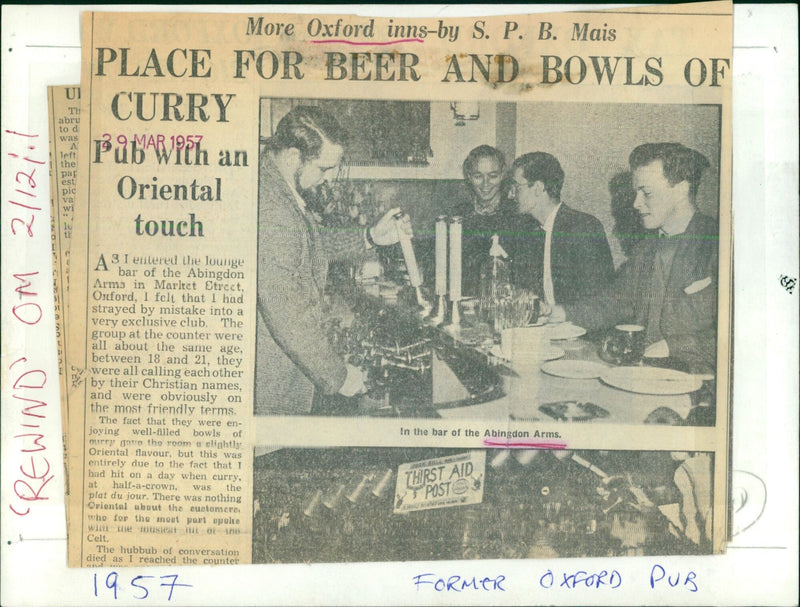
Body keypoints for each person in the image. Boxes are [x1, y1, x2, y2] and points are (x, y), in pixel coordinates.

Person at [255, 105, 411, 415]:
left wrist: (370, 236)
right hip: (275, 379)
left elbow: (312, 244)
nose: (326, 180)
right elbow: (287, 314)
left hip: (289, 368)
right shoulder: (272, 208)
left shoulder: (282, 192)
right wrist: (337, 376)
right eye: (324, 169)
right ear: (291, 157)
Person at [552, 143, 717, 373]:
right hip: (641, 373)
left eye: (646, 193)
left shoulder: (719, 245)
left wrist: (673, 346)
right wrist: (560, 313)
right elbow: (616, 301)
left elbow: (739, 336)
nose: (636, 203)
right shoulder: (645, 249)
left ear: (680, 190)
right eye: (636, 193)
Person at [508, 152, 614, 306]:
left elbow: (598, 302)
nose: (511, 195)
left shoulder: (583, 228)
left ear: (538, 188)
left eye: (516, 187)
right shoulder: (529, 231)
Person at [450, 145, 528, 297]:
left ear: (503, 174)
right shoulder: (458, 215)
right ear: (468, 176)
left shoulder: (518, 216)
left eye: (493, 176)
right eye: (478, 176)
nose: (486, 184)